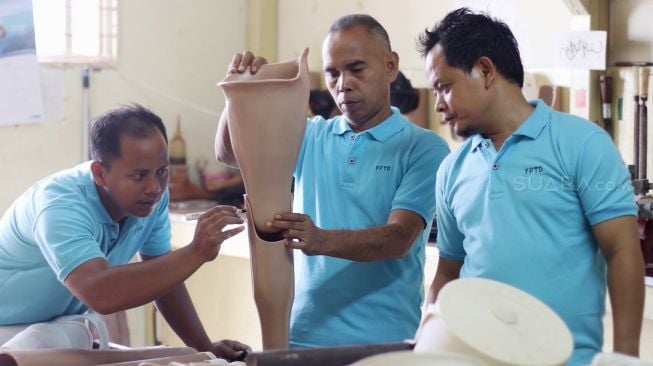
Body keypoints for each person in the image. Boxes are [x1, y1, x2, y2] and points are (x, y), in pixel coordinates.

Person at [418, 8, 644, 364]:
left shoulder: (582, 144)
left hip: (568, 358)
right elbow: (448, 271)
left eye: (444, 87)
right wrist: (425, 340)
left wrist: (625, 358)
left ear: (486, 70)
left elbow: (622, 251)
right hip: (475, 356)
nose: (438, 104)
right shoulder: (452, 169)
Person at [216, 14, 450, 348]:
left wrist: (319, 239)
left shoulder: (423, 148)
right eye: (332, 73)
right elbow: (230, 154)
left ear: (390, 66)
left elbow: (399, 238)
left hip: (383, 346)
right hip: (301, 341)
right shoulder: (310, 135)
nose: (343, 84)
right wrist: (238, 93)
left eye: (357, 69)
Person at [0, 105, 249, 360]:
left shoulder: (152, 199)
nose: (154, 187)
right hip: (9, 331)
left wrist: (203, 345)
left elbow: (163, 276)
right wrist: (195, 252)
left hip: (55, 326)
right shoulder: (59, 205)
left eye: (162, 171)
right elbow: (101, 293)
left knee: (178, 355)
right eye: (138, 175)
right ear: (100, 173)